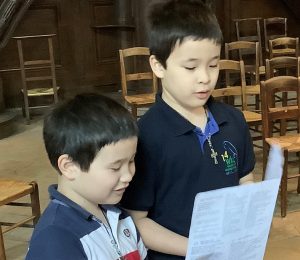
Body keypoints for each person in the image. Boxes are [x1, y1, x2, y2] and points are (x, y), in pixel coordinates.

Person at [121, 0, 255, 259]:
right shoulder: (145, 137)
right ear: (158, 65)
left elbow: (244, 178)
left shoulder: (233, 120)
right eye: (191, 67)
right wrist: (198, 250)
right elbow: (136, 221)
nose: (205, 77)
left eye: (213, 64)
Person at [25, 93, 148, 260]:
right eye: (115, 167)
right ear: (69, 167)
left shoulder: (119, 216)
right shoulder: (56, 238)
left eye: (131, 161)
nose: (128, 175)